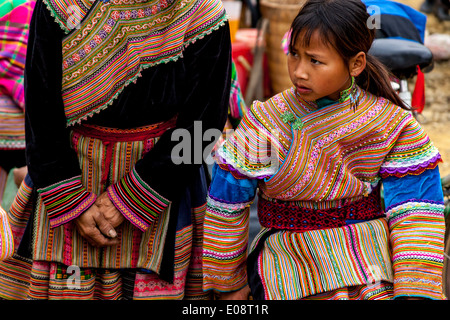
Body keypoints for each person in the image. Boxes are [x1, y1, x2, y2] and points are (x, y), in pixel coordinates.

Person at [202, 0, 446, 300]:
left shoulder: (391, 123)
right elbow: (226, 205)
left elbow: (417, 212)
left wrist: (414, 293)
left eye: (314, 61)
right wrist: (229, 285)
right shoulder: (267, 120)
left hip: (365, 253)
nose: (299, 71)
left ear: (356, 63)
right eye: (294, 54)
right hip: (288, 255)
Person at [0, 0, 231, 300]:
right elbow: (41, 113)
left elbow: (204, 127)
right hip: (70, 175)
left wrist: (129, 199)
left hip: (165, 189)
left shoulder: (202, 14)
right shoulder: (59, 7)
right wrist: (73, 202)